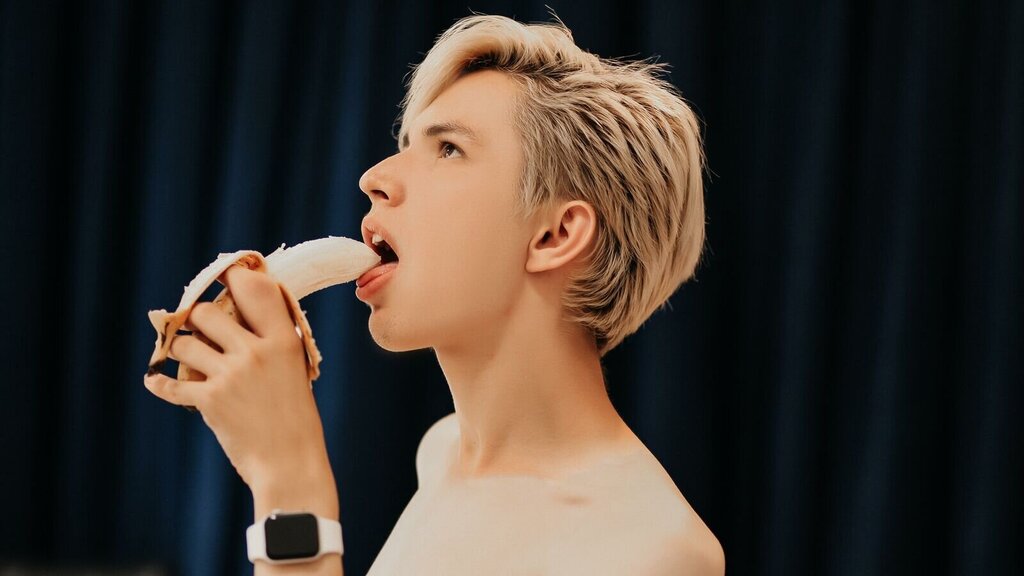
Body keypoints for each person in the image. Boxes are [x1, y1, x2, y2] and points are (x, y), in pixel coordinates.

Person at [144, 13, 724, 576]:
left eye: (448, 148)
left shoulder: (652, 553)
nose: (373, 176)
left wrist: (290, 482)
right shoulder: (440, 454)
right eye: (406, 143)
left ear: (555, 236)